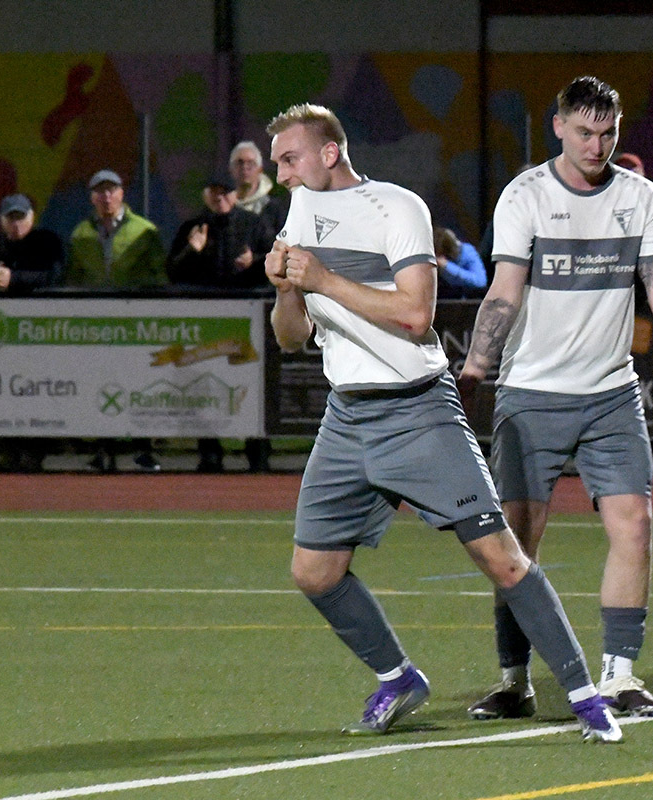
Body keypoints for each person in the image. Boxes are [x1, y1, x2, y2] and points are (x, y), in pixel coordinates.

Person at [264, 102, 622, 742]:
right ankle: (398, 677)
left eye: (288, 159)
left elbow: (416, 316)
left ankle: (586, 697)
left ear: (328, 152)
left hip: (418, 409)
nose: (280, 174)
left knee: (502, 559)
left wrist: (321, 275)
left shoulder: (397, 208)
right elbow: (290, 339)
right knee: (313, 572)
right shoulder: (298, 210)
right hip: (346, 417)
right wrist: (290, 291)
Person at [458, 77, 653, 722]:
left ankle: (621, 677)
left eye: (609, 133)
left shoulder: (640, 197)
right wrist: (477, 368)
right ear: (560, 128)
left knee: (635, 526)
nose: (598, 145)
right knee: (517, 544)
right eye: (586, 132)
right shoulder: (527, 195)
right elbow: (505, 289)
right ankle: (514, 682)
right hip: (531, 395)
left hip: (611, 396)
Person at [168, 173, 275, 472]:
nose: (220, 198)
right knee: (205, 386)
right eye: (214, 193)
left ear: (236, 195)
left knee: (252, 386)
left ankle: (258, 452)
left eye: (226, 192)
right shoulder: (194, 226)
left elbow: (279, 262)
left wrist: (255, 261)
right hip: (207, 319)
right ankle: (210, 453)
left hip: (248, 318)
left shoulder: (253, 224)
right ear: (206, 196)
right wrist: (193, 250)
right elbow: (173, 271)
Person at [67, 169, 167, 471]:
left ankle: (143, 450)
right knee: (99, 384)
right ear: (92, 197)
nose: (106, 197)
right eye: (100, 191)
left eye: (112, 190)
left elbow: (158, 275)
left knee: (140, 385)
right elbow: (74, 278)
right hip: (96, 325)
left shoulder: (144, 230)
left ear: (122, 194)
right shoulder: (81, 234)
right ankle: (103, 450)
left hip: (136, 322)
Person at [0, 193, 67, 472]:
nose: (16, 224)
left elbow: (54, 276)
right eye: (10, 218)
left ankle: (34, 451)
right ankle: (10, 450)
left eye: (21, 217)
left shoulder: (46, 242)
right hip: (1, 334)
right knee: (4, 392)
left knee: (35, 392)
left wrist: (13, 279)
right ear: (1, 221)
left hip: (38, 333)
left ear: (32, 217)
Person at [229, 140, 289, 236]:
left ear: (260, 169)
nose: (245, 167)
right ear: (231, 168)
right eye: (239, 162)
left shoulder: (275, 210)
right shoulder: (223, 206)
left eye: (251, 163)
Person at [432, 226, 487, 297]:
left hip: (467, 297)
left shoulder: (466, 251)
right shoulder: (436, 256)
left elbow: (480, 282)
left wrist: (448, 266)